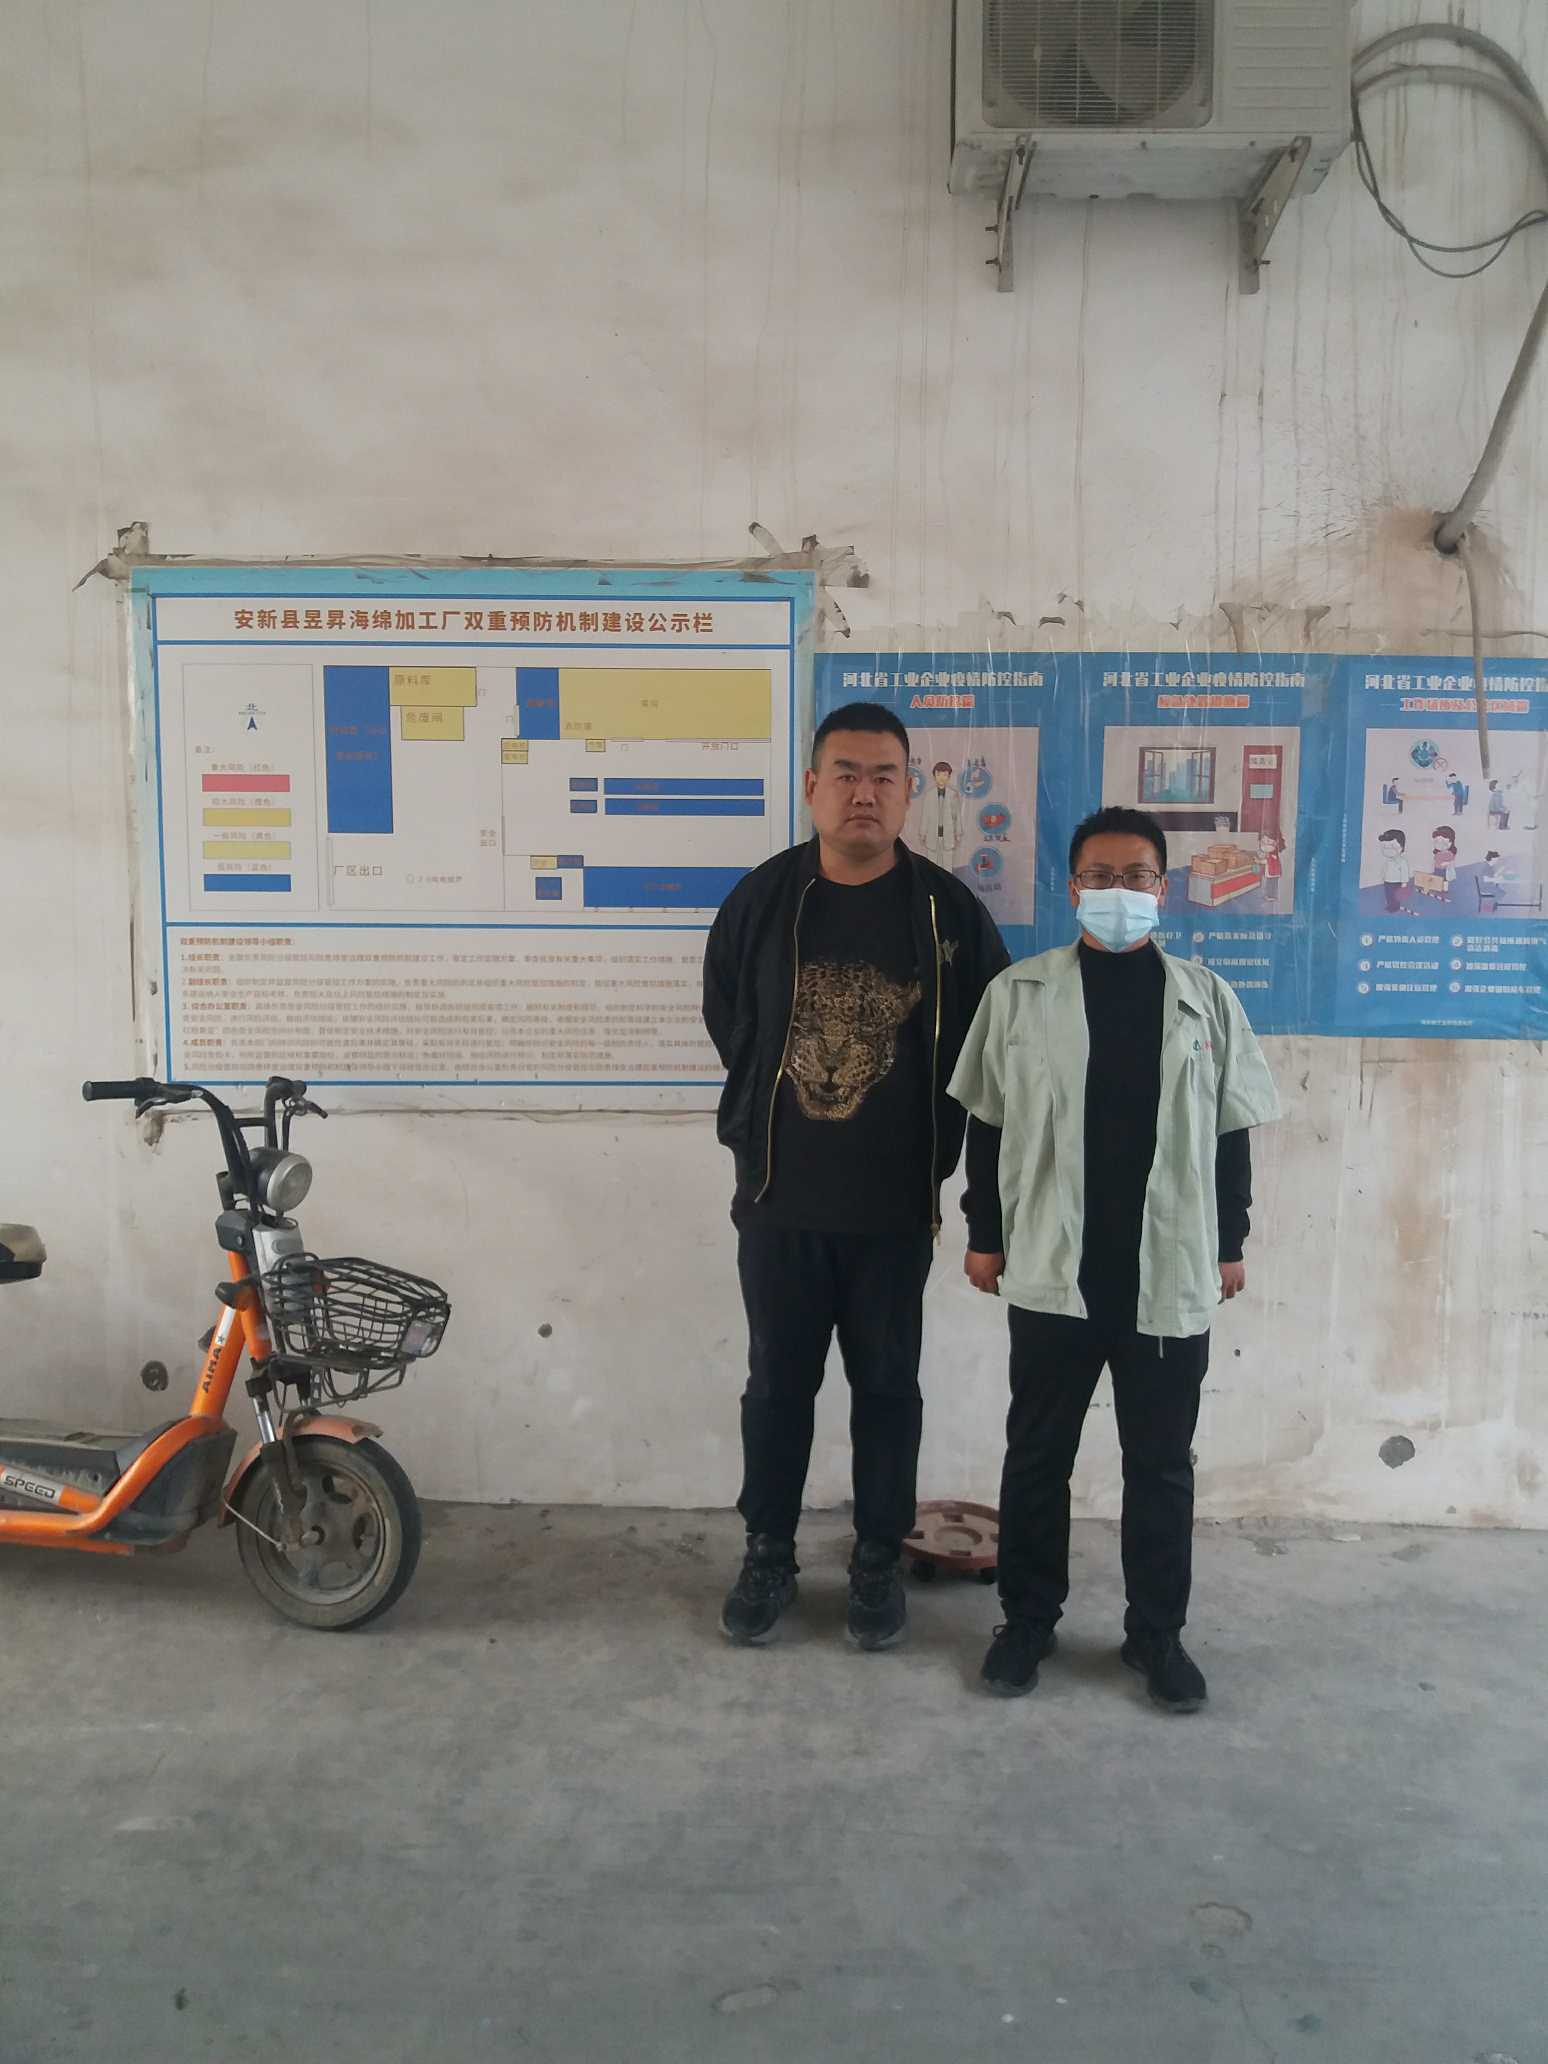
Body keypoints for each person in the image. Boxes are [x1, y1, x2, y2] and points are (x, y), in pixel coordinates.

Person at [948, 806, 1280, 1712]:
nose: (1118, 891)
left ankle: (1156, 1635)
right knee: (1037, 1454)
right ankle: (1027, 1622)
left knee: (1161, 1464)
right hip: (1055, 1266)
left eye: (1136, 876)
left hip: (1164, 1269)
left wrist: (1231, 1241)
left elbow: (1232, 1132)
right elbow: (987, 1125)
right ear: (1073, 887)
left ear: (1162, 889)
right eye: (1101, 876)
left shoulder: (1205, 998)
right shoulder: (1019, 994)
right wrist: (984, 1232)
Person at [702, 703, 1008, 1651]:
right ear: (812, 787)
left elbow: (988, 1058)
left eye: (883, 775)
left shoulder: (949, 914)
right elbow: (730, 1019)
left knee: (887, 1390)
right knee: (775, 1387)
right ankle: (768, 1551)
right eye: (845, 773)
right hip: (778, 1203)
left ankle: (877, 1557)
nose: (863, 792)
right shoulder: (762, 901)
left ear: (909, 792)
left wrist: (974, 1202)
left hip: (894, 1209)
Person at [917, 760, 966, 871]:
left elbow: (957, 815)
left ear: (949, 777)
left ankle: (947, 881)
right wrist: (922, 833)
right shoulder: (929, 795)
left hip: (948, 835)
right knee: (932, 864)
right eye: (938, 774)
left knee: (947, 865)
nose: (941, 778)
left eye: (945, 775)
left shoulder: (953, 795)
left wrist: (958, 833)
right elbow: (925, 815)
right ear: (934, 776)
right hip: (932, 835)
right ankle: (932, 882)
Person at [1378, 828, 1410, 911]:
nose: (1388, 850)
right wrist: (1382, 876)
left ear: (1401, 847)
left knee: (1395, 896)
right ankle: (1390, 905)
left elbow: (1404, 873)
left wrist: (1404, 884)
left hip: (1396, 882)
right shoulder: (1388, 861)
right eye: (1385, 847)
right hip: (1387, 881)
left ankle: (1395, 907)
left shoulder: (1402, 861)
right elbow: (1384, 869)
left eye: (1393, 847)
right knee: (1388, 894)